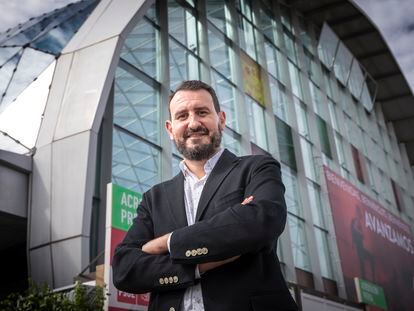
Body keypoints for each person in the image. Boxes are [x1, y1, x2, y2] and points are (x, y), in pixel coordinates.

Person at [112, 80, 298, 311]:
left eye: (202, 112)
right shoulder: (154, 198)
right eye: (182, 116)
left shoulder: (257, 168)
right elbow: (124, 269)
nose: (193, 123)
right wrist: (197, 267)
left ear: (221, 119)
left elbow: (261, 222)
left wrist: (166, 243)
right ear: (170, 129)